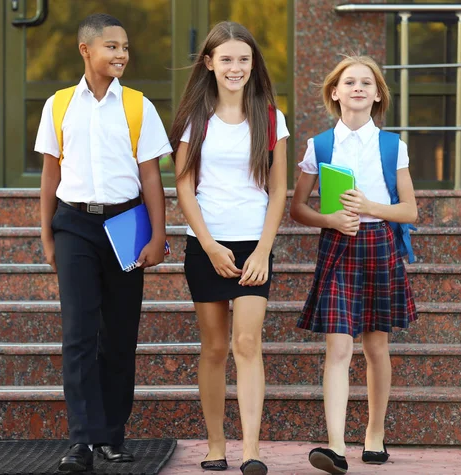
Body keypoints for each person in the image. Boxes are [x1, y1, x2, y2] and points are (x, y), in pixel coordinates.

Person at [35, 13, 171, 473]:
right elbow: (50, 173)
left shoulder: (138, 106)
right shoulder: (58, 105)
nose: (121, 54)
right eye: (112, 46)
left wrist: (158, 233)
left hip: (126, 224)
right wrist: (47, 233)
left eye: (126, 47)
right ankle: (81, 442)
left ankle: (112, 436)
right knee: (77, 334)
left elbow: (151, 175)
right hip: (74, 225)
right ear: (85, 50)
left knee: (119, 336)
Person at [169, 21, 288, 475]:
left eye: (243, 58)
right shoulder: (193, 119)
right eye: (226, 59)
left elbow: (278, 192)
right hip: (207, 244)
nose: (235, 67)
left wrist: (262, 249)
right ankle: (216, 445)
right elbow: (183, 189)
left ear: (252, 63)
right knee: (215, 347)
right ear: (209, 64)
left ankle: (251, 450)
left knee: (247, 341)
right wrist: (209, 245)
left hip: (253, 243)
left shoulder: (272, 117)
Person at [290, 55, 418, 475]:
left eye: (367, 82)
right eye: (349, 82)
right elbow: (298, 207)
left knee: (375, 346)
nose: (358, 88)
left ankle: (375, 433)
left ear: (377, 94)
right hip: (338, 246)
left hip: (379, 243)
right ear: (335, 92)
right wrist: (330, 219)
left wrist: (369, 206)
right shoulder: (320, 145)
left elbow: (410, 211)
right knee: (338, 346)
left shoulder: (391, 145)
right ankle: (335, 446)